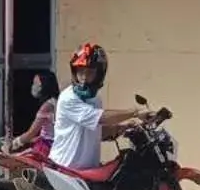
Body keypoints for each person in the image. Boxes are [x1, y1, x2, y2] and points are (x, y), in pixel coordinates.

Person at [49, 43, 145, 171]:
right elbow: (100, 118)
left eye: (89, 72)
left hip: (87, 171)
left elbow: (95, 131)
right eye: (80, 71)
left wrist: (122, 128)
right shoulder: (69, 98)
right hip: (65, 171)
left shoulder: (95, 100)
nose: (83, 77)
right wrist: (135, 112)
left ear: (99, 74)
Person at [4, 69, 59, 158]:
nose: (33, 86)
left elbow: (31, 133)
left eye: (36, 84)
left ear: (44, 85)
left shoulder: (47, 106)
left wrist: (14, 143)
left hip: (46, 147)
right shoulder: (56, 101)